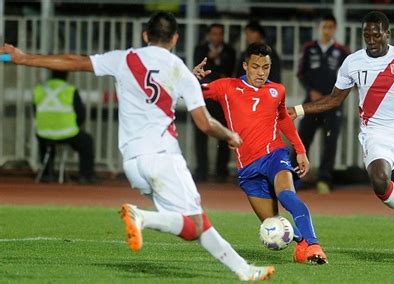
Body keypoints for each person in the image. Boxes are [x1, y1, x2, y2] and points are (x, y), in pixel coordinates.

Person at [1, 11, 275, 281]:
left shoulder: (125, 59)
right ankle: (140, 216)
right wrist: (230, 135)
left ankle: (244, 270)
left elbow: (75, 61)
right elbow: (204, 124)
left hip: (132, 163)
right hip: (163, 156)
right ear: (176, 38)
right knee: (197, 222)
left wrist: (25, 58)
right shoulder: (179, 70)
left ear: (146, 35)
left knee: (192, 226)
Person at [288, 11, 394, 266]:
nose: (371, 38)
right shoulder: (352, 63)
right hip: (375, 132)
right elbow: (334, 99)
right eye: (367, 34)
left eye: (376, 34)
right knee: (379, 179)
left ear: (387, 34)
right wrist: (299, 110)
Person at [193, 43, 328, 265]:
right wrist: (192, 77)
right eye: (256, 67)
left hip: (275, 155)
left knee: (287, 194)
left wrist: (301, 150)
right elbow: (189, 93)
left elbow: (283, 119)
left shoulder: (277, 90)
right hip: (247, 167)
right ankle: (302, 244)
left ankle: (314, 245)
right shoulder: (227, 86)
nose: (261, 73)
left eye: (266, 67)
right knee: (272, 222)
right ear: (245, 65)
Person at [296, 14, 350, 194]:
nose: (327, 30)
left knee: (330, 142)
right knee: (301, 139)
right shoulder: (309, 48)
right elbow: (301, 73)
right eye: (324, 27)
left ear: (334, 29)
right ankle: (294, 178)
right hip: (311, 102)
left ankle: (324, 179)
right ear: (319, 28)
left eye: (330, 27)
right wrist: (310, 89)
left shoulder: (342, 51)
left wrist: (335, 96)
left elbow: (349, 78)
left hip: (333, 104)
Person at [33, 70, 98, 184]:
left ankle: (47, 174)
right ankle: (86, 176)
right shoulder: (70, 90)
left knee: (46, 144)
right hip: (67, 133)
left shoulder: (39, 89)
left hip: (43, 133)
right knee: (87, 142)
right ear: (67, 75)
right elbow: (81, 113)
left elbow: (35, 111)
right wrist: (74, 126)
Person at [193, 23, 236, 182]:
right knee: (200, 132)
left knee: (224, 133)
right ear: (209, 35)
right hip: (203, 96)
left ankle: (221, 171)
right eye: (214, 34)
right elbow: (200, 72)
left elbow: (228, 72)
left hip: (222, 98)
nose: (216, 37)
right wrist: (214, 62)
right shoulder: (200, 49)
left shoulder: (230, 51)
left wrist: (214, 62)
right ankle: (201, 171)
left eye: (219, 34)